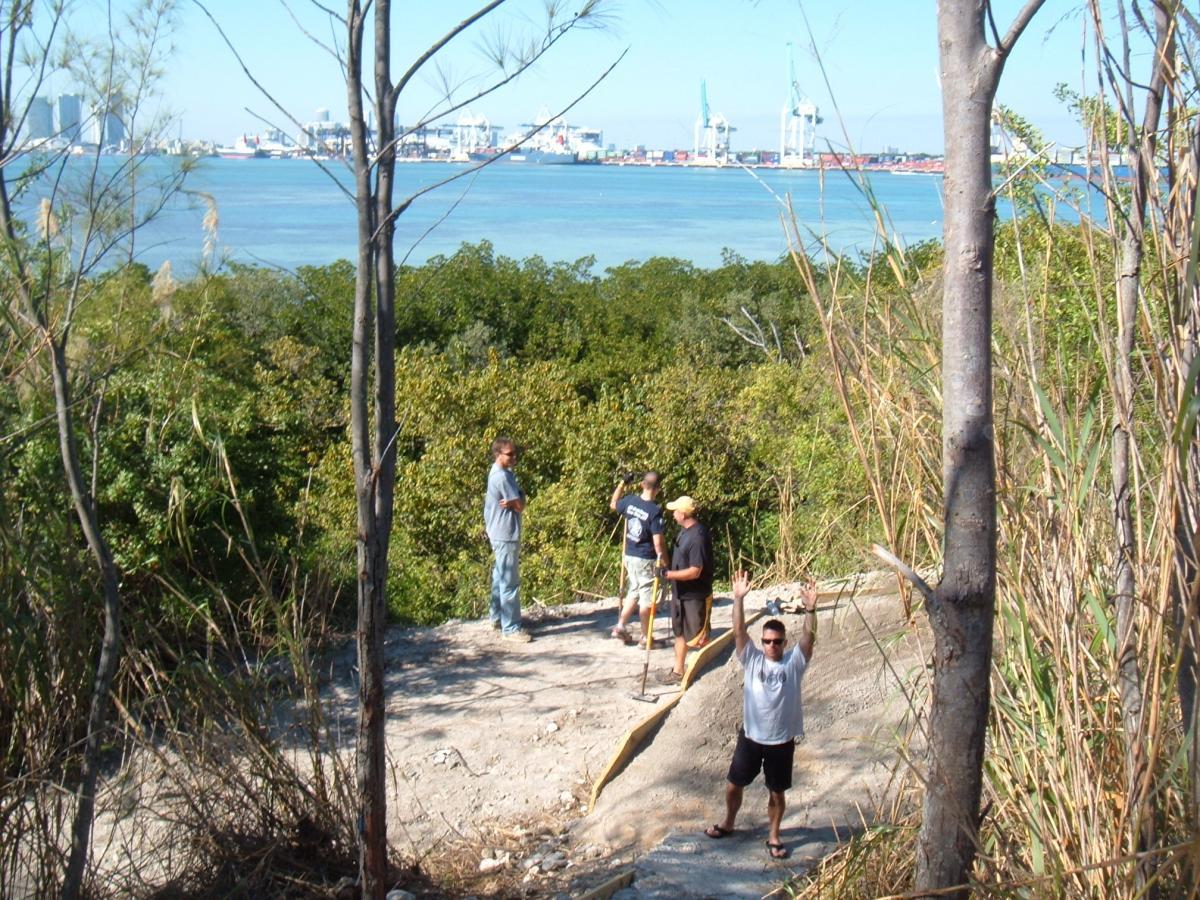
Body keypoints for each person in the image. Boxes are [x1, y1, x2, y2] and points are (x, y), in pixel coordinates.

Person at [703, 570, 818, 859]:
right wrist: (738, 599)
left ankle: (774, 836)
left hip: (780, 741)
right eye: (767, 641)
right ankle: (729, 822)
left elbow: (808, 637)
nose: (771, 646)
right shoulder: (752, 659)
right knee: (733, 785)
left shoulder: (794, 663)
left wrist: (811, 610)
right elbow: (739, 632)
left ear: (783, 642)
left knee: (776, 793)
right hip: (751, 737)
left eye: (776, 641)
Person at [656, 495, 713, 684]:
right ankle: (678, 672)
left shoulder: (698, 537)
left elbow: (696, 571)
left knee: (698, 638)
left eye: (675, 511)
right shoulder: (684, 533)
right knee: (679, 633)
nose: (673, 515)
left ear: (683, 514)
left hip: (695, 595)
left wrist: (668, 575)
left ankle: (711, 677)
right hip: (680, 593)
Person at [609, 471, 668, 646]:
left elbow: (613, 504)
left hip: (629, 555)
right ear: (657, 489)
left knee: (634, 590)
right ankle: (645, 637)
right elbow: (658, 542)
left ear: (642, 484)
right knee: (647, 598)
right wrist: (664, 560)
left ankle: (620, 626)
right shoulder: (655, 511)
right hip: (645, 558)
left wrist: (621, 483)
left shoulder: (630, 501)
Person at [483, 436, 531, 642]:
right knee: (509, 581)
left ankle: (496, 618)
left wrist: (517, 498)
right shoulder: (502, 477)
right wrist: (519, 498)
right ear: (498, 454)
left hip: (497, 531)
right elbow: (520, 504)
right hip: (506, 532)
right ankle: (510, 628)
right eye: (509, 454)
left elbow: (517, 500)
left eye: (514, 453)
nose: (514, 457)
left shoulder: (498, 473)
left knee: (499, 575)